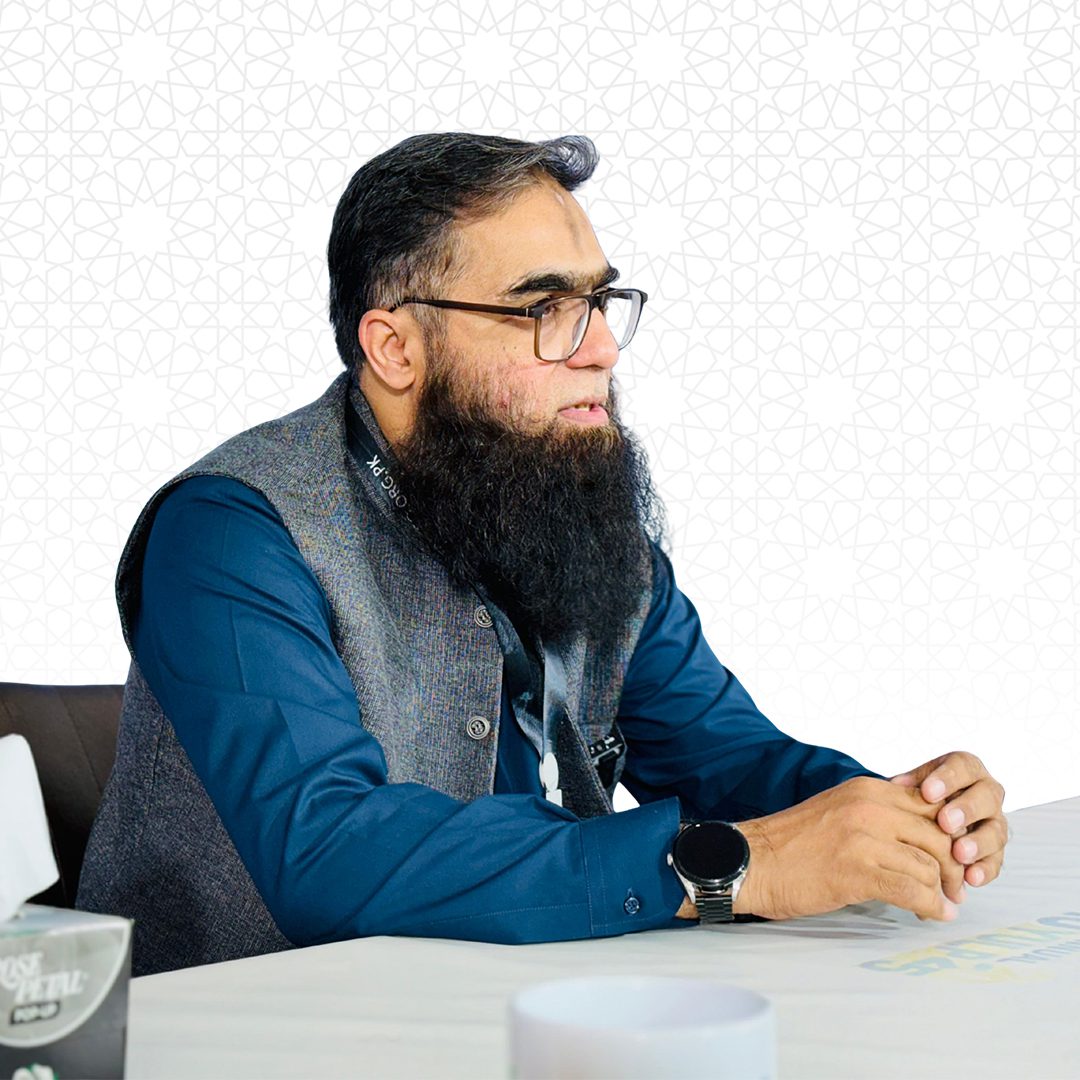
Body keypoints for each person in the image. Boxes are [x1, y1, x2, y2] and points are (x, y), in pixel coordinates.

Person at [77, 133, 1008, 977]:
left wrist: (895, 813)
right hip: (240, 1036)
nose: (601, 347)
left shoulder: (572, 515)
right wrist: (733, 865)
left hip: (523, 1012)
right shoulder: (233, 531)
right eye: (544, 307)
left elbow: (730, 762)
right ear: (394, 347)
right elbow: (329, 851)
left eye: (599, 301)